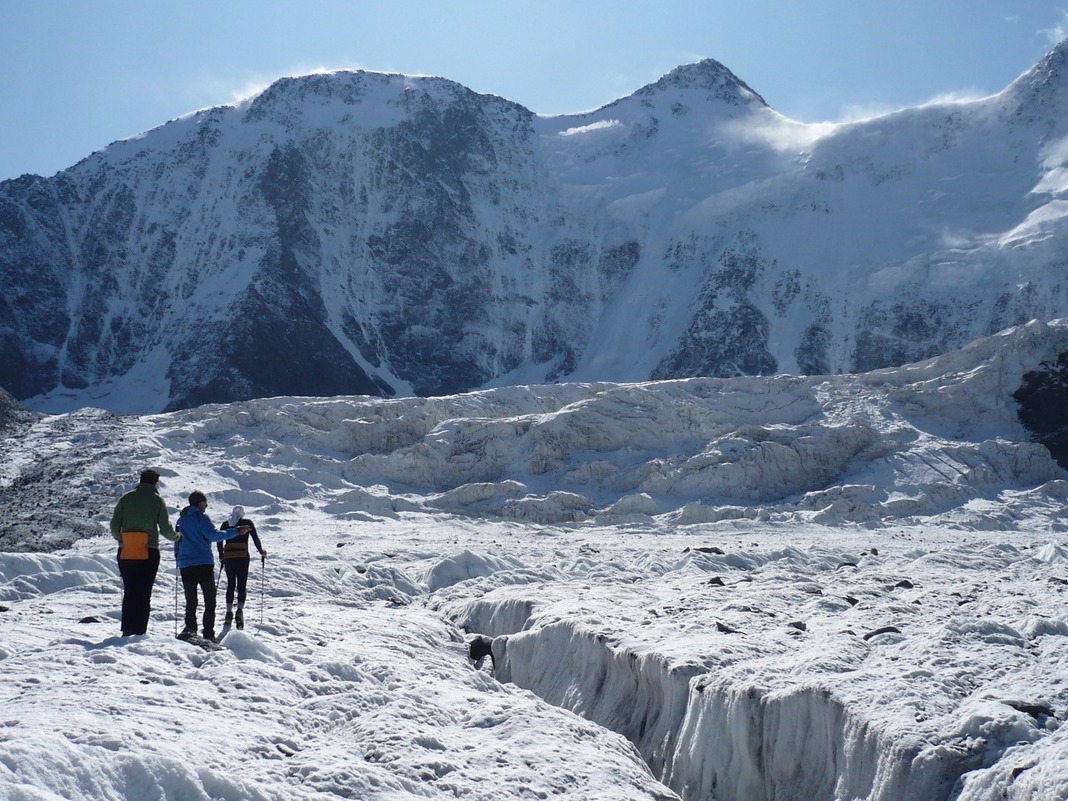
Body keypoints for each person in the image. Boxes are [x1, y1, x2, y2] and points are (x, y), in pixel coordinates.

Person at [110, 468, 180, 636]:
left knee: (130, 590)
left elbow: (114, 526)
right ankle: (140, 630)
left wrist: (122, 539)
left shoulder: (126, 498)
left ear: (140, 481)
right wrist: (178, 537)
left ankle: (127, 629)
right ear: (155, 482)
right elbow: (165, 529)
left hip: (127, 551)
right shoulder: (157, 500)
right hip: (149, 551)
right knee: (144, 592)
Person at [175, 491, 242, 642]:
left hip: (186, 564)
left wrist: (178, 557)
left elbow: (177, 540)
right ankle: (208, 634)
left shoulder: (181, 519)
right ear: (200, 502)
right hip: (203, 563)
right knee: (209, 600)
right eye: (205, 502)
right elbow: (214, 535)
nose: (206, 505)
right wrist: (236, 531)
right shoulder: (201, 517)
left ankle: (190, 630)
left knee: (191, 600)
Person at [217, 505, 267, 629]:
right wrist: (261, 551)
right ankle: (239, 611)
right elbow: (255, 539)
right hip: (243, 557)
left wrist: (221, 555)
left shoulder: (225, 524)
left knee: (230, 584)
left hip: (229, 557)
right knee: (241, 585)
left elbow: (219, 540)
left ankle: (228, 612)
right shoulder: (247, 523)